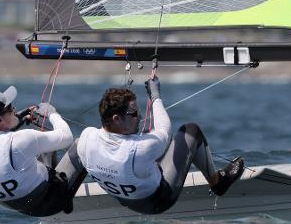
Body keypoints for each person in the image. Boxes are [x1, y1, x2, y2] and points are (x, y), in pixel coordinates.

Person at [77, 76, 245, 214]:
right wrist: (155, 95)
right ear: (116, 119)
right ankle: (218, 183)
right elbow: (165, 131)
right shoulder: (140, 149)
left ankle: (61, 196)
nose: (139, 117)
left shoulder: (86, 137)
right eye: (134, 113)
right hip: (158, 202)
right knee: (191, 130)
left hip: (124, 200)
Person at [0, 86, 86, 216]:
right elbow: (66, 137)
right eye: (11, 109)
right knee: (83, 142)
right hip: (50, 204)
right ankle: (69, 197)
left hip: (18, 207)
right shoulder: (22, 139)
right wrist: (52, 113)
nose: (14, 110)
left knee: (42, 144)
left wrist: (18, 118)